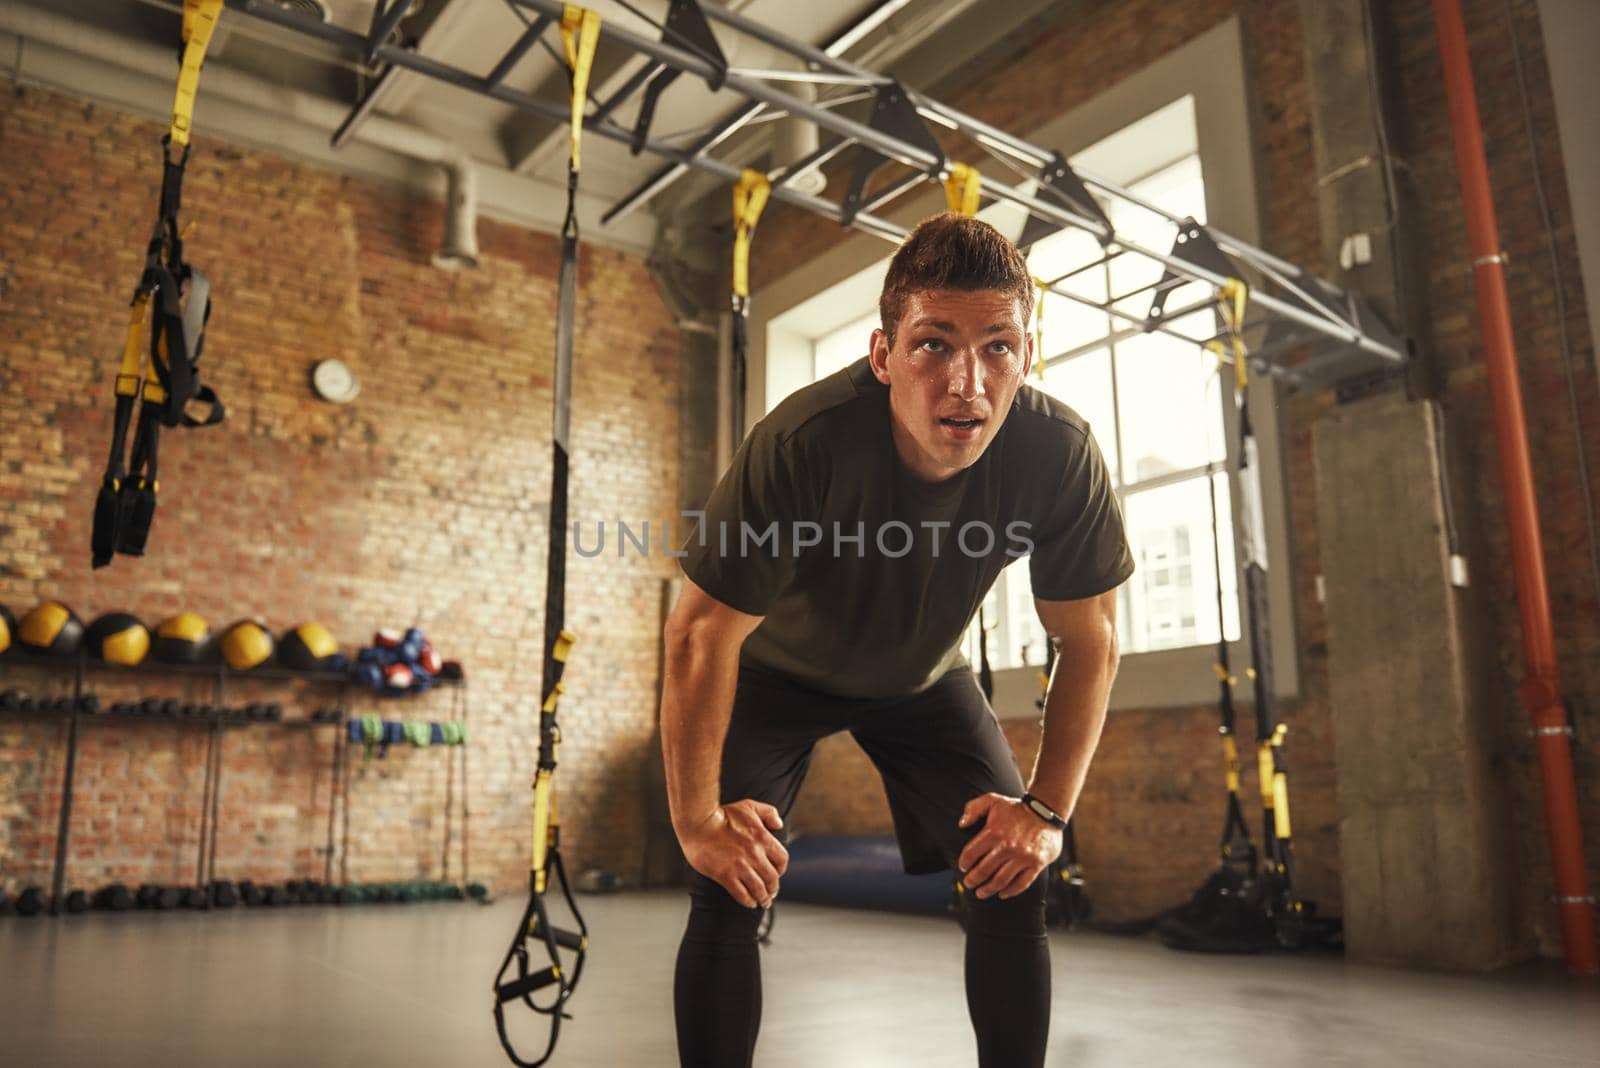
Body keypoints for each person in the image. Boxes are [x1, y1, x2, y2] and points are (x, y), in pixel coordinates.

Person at [662, 213, 1134, 1067]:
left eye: (998, 347)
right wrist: (698, 820)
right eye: (933, 345)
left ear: (1028, 356)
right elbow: (699, 634)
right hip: (774, 675)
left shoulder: (1058, 454)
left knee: (1011, 878)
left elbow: (1090, 637)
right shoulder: (804, 443)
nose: (968, 383)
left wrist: (1046, 811)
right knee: (727, 886)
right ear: (883, 356)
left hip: (923, 678)